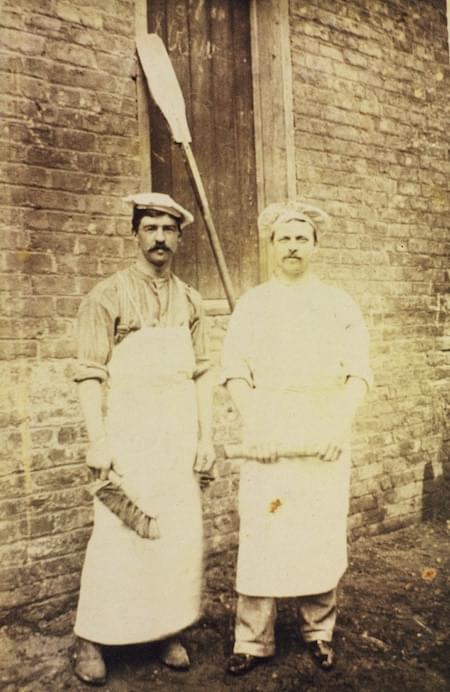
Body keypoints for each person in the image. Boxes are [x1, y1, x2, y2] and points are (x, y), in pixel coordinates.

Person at [221, 201, 372, 675]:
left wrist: (337, 426)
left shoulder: (338, 304)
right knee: (262, 528)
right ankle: (252, 639)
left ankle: (319, 631)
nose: (292, 246)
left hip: (322, 430)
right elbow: (234, 374)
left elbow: (359, 374)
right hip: (268, 429)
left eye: (301, 238)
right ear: (271, 246)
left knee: (318, 529)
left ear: (314, 246)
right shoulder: (253, 304)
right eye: (284, 238)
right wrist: (258, 426)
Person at [71, 192, 215, 685]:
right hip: (129, 433)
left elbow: (201, 375)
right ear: (136, 234)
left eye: (168, 230)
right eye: (150, 227)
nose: (159, 237)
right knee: (118, 536)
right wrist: (98, 440)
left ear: (179, 238)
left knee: (173, 536)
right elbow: (90, 373)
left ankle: (164, 627)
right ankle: (91, 636)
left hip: (176, 435)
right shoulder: (106, 296)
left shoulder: (192, 300)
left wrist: (206, 437)